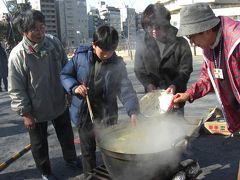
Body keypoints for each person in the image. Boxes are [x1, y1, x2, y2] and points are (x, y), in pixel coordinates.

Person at [8, 10, 81, 180]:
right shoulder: (18, 55)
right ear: (24, 31)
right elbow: (16, 88)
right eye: (34, 29)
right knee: (39, 144)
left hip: (58, 100)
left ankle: (71, 159)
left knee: (66, 134)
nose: (40, 32)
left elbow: (66, 69)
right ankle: (45, 171)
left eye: (42, 27)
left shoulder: (53, 43)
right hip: (35, 109)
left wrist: (69, 90)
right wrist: (25, 113)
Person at [60, 25, 139, 179]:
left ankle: (111, 175)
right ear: (94, 44)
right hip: (84, 112)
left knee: (110, 149)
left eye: (111, 51)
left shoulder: (117, 63)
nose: (107, 56)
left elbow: (126, 89)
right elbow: (64, 75)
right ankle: (90, 177)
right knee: (88, 152)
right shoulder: (80, 57)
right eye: (103, 52)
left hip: (107, 113)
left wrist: (133, 111)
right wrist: (75, 87)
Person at [173, 3, 240, 133]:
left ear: (207, 29)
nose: (192, 43)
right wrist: (188, 95)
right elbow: (207, 78)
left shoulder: (237, 40)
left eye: (192, 36)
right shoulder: (208, 47)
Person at [134, 3, 193, 116]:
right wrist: (148, 84)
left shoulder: (180, 41)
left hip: (175, 99)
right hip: (152, 101)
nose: (153, 31)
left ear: (166, 24)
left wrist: (175, 85)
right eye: (149, 27)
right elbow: (139, 69)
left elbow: (186, 70)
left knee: (175, 130)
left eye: (158, 27)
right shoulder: (143, 42)